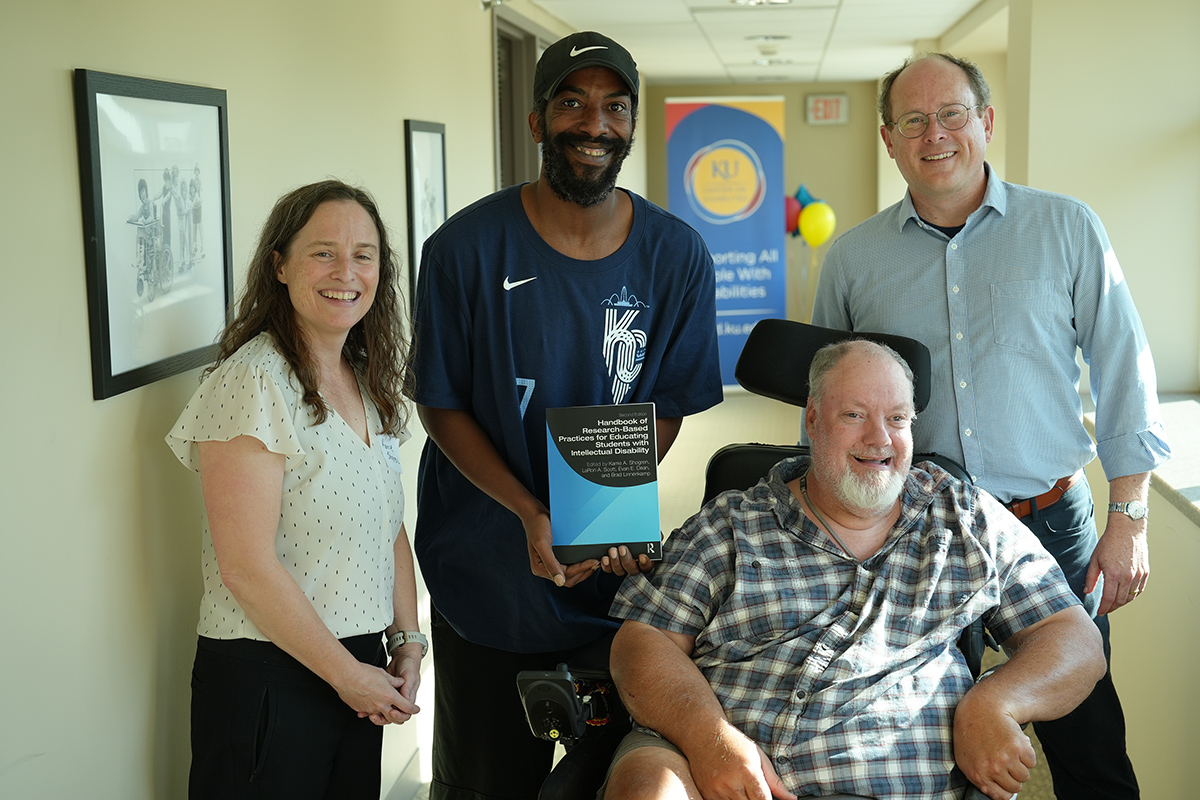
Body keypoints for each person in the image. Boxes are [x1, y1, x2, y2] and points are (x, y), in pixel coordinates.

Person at [810, 53, 1170, 799]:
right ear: (888, 139)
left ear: (986, 122)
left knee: (1089, 738)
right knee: (922, 737)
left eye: (951, 115)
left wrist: (1129, 517)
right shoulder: (853, 261)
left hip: (1051, 528)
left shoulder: (1066, 228)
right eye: (913, 121)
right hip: (918, 534)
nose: (934, 134)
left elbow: (1124, 370)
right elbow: (825, 412)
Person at [411, 30, 723, 800]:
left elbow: (670, 404)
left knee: (602, 781)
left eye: (614, 107)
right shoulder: (463, 251)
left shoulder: (677, 257)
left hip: (607, 593)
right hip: (487, 573)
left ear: (632, 123)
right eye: (573, 103)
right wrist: (528, 513)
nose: (594, 124)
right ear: (536, 120)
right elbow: (440, 402)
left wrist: (603, 513)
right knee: (488, 786)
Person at [603, 339, 1106, 800]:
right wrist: (709, 740)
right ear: (814, 420)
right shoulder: (734, 523)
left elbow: (1074, 638)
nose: (879, 438)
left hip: (899, 784)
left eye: (898, 419)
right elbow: (643, 642)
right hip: (722, 773)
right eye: (854, 415)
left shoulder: (963, 518)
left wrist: (997, 702)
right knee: (649, 787)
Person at [166, 180, 424, 799]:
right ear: (279, 265)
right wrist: (348, 677)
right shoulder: (252, 382)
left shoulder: (364, 379)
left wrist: (408, 642)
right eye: (323, 252)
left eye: (364, 254)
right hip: (271, 674)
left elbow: (386, 525)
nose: (346, 271)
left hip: (359, 667)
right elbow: (246, 568)